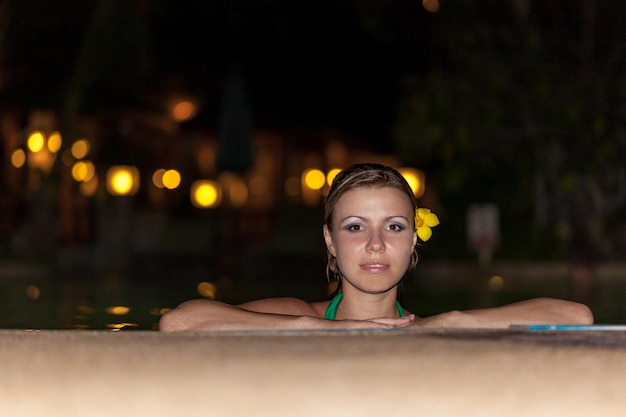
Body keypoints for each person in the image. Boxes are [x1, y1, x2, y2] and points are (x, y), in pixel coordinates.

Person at [159, 163, 593, 331]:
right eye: (354, 227)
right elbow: (180, 322)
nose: (375, 244)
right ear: (329, 240)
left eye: (394, 226)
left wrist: (449, 323)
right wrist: (318, 330)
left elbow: (576, 316)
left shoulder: (431, 328)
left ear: (413, 240)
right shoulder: (299, 315)